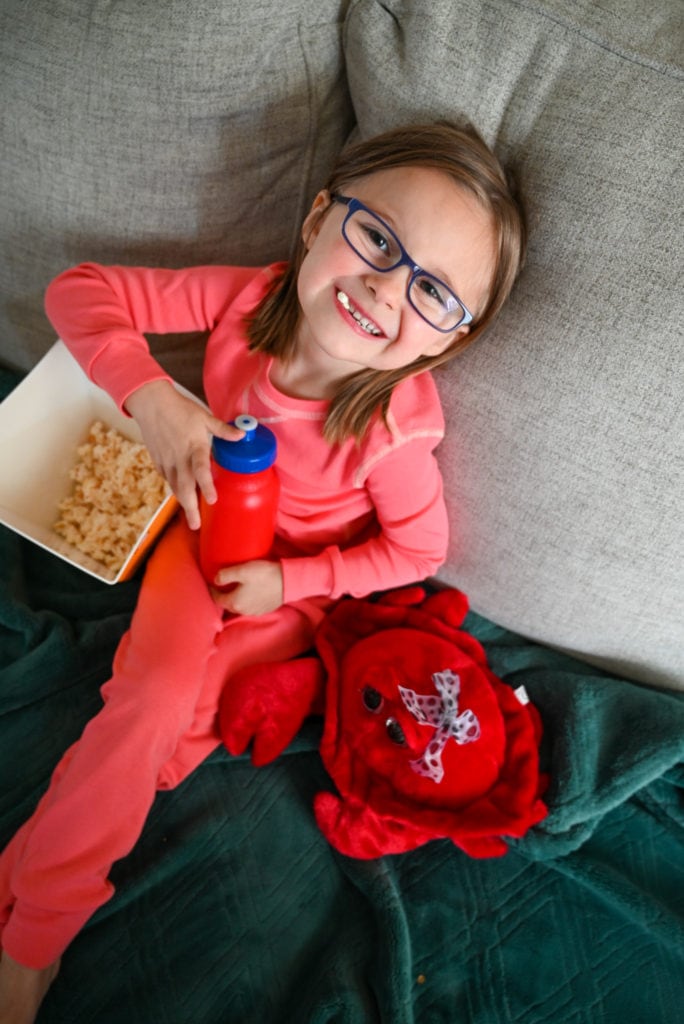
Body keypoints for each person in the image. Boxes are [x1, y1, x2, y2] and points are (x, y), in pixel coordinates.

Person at [0, 120, 526, 1022]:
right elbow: (77, 291)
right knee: (150, 700)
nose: (385, 285)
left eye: (433, 290)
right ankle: (35, 935)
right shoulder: (252, 301)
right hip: (200, 542)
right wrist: (154, 397)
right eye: (378, 238)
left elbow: (418, 553)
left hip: (305, 588)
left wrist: (297, 587)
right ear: (321, 216)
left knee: (179, 739)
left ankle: (46, 870)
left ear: (447, 342)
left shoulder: (394, 429)